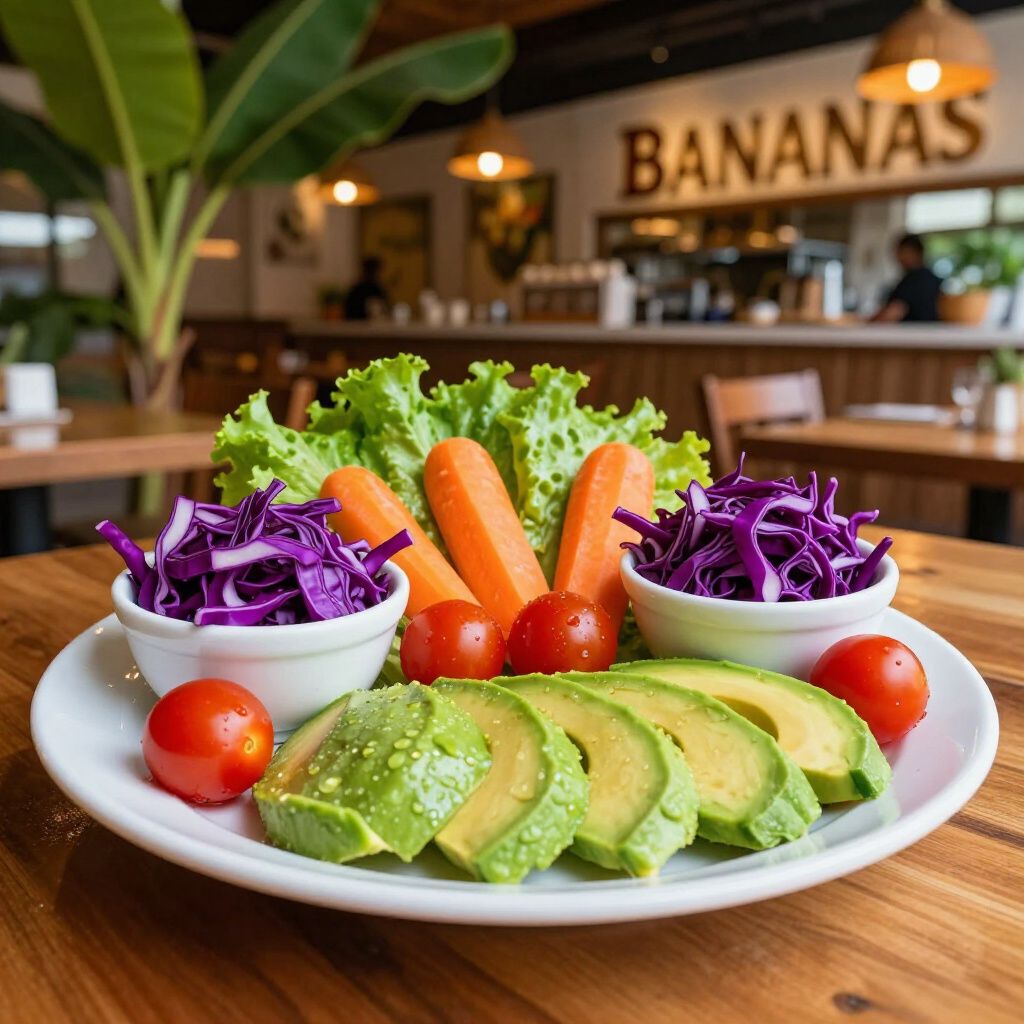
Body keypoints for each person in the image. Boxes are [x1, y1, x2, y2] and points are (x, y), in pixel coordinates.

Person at [870, 233, 942, 323]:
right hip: (931, 333)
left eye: (901, 252)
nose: (897, 257)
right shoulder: (932, 278)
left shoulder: (914, 279)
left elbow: (894, 312)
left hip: (910, 334)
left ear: (914, 252)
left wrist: (867, 322)